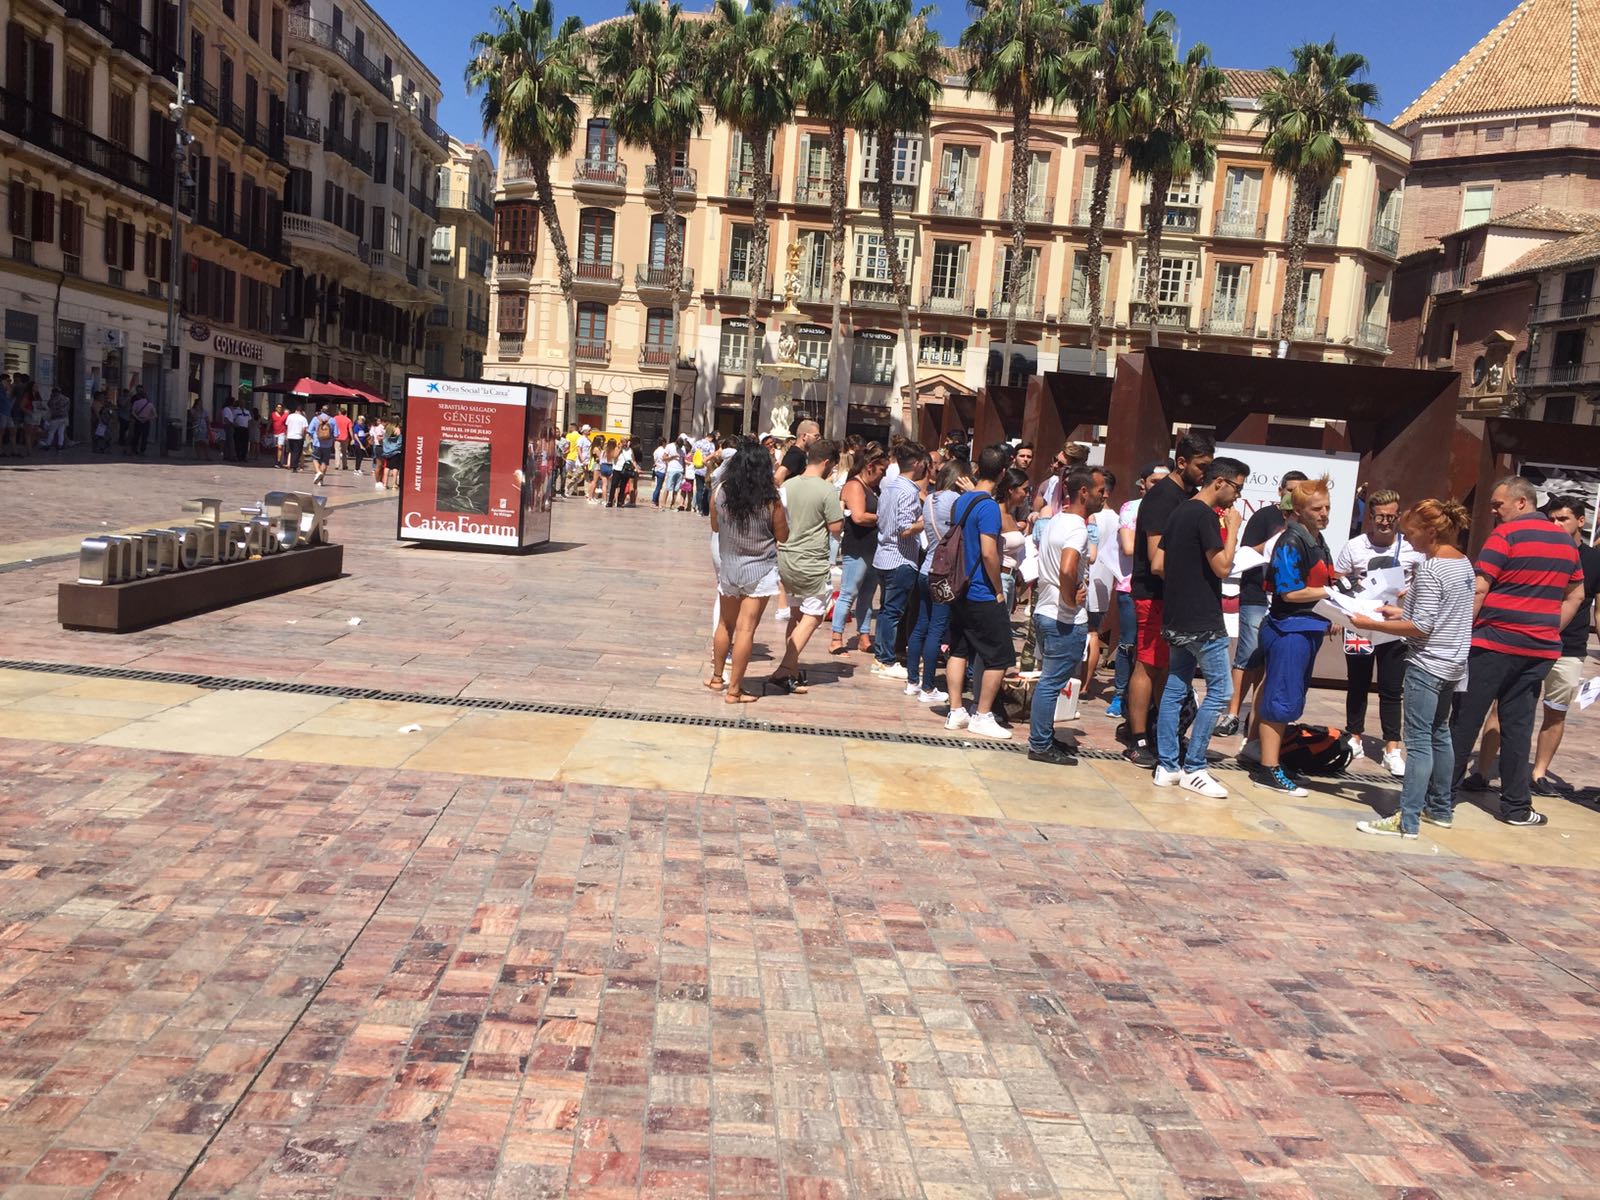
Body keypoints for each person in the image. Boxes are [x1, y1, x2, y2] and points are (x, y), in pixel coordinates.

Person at [1449, 476, 1585, 826]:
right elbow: (1577, 594)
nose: (1495, 511)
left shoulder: (1505, 535)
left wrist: (1462, 634)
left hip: (1493, 643)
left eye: (1498, 504)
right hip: (1538, 650)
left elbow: (1480, 588)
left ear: (1521, 503)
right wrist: (1550, 628)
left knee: (1465, 720)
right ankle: (1516, 808)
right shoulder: (1567, 543)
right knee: (1518, 727)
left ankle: (1439, 798)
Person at [1352, 499, 1476, 838]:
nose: (1408, 541)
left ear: (1431, 532)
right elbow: (1440, 614)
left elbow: (1421, 627)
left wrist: (1369, 624)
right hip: (1452, 662)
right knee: (1440, 734)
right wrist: (1400, 615)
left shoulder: (1434, 567)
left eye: (1411, 534)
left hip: (1428, 662)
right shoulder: (1463, 563)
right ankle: (1440, 808)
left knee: (1419, 741)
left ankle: (1407, 819)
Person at [1151, 457, 1249, 796]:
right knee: (1221, 691)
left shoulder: (1179, 512)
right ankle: (1194, 766)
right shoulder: (1206, 515)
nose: (1237, 496)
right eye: (1237, 487)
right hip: (1202, 619)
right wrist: (1234, 528)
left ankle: (1167, 765)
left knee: (1176, 688)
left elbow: (1157, 563)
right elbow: (1222, 567)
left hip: (1176, 616)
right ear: (1219, 482)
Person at [1126, 432, 1213, 765]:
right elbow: (1156, 557)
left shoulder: (1189, 496)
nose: (1205, 472)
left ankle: (1163, 731)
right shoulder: (1163, 498)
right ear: (1181, 462)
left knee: (1165, 668)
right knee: (1147, 666)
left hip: (1172, 597)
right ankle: (1138, 738)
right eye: (1201, 466)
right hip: (1153, 594)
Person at [1251, 476, 1337, 798]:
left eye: (1327, 507)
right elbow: (1289, 593)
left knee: (1289, 699)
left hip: (1307, 629)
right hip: (1289, 630)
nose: (1324, 513)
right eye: (1317, 508)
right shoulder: (1291, 541)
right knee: (1280, 700)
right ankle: (1268, 768)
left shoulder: (1317, 539)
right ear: (1299, 511)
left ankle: (1272, 760)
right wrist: (1329, 596)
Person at [1336, 488, 1420, 774]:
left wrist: (1410, 593)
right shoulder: (1354, 546)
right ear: (1370, 517)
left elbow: (1422, 581)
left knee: (1392, 687)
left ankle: (1392, 747)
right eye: (1380, 517)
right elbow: (1340, 579)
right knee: (1357, 682)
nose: (1385, 522)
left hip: (1395, 625)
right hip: (1360, 621)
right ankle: (1355, 735)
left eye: (1391, 516)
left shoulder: (1410, 548)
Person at [1219, 470, 1308, 738]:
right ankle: (1232, 714)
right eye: (1289, 489)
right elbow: (1244, 551)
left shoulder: (1304, 524)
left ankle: (1256, 721)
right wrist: (1274, 543)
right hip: (1256, 592)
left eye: (1299, 490)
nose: (1293, 495)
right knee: (1248, 653)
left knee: (1271, 661)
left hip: (1284, 600)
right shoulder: (1264, 517)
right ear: (1280, 491)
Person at [1028, 465, 1103, 765]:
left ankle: (1044, 737)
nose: (1104, 495)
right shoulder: (1077, 528)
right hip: (1064, 619)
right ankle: (1040, 744)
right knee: (1051, 683)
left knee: (1050, 680)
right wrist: (1070, 599)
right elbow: (1068, 567)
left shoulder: (1056, 520)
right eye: (1100, 491)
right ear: (1083, 492)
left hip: (1045, 611)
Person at [708, 438, 790, 704]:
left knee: (725, 624)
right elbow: (783, 536)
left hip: (730, 567)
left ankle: (717, 677)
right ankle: (735, 691)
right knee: (745, 630)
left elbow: (716, 526)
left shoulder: (720, 491)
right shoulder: (770, 500)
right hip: (760, 569)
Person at [1527, 496, 1600, 794]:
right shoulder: (1538, 551)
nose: (1555, 524)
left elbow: (1598, 609)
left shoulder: (1594, 560)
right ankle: (1481, 771)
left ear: (1581, 522)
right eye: (1552, 518)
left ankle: (1539, 774)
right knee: (1506, 707)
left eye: (1563, 519)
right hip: (1528, 641)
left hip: (1569, 648)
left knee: (1555, 711)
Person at [943, 446, 1014, 740]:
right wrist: (998, 589)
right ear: (1002, 474)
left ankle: (956, 710)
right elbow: (988, 552)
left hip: (958, 587)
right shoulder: (988, 507)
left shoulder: (961, 502)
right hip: (982, 590)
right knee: (999, 656)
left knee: (959, 648)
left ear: (976, 470)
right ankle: (982, 715)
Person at [771, 439, 845, 693]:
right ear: (826, 462)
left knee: (795, 614)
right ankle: (784, 668)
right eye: (833, 466)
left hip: (787, 557)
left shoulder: (788, 485)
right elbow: (836, 528)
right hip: (812, 559)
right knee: (814, 614)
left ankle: (791, 670)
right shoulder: (827, 491)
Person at [1108, 461, 1170, 719]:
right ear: (1142, 484)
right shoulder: (1130, 508)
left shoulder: (1175, 507)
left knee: (1158, 650)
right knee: (1129, 644)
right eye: (1155, 481)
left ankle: (1154, 704)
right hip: (1131, 585)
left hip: (1164, 588)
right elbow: (1129, 546)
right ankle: (1119, 694)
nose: (1160, 486)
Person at [905, 459, 967, 704]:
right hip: (943, 572)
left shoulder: (930, 498)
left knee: (921, 624)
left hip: (925, 568)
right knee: (936, 628)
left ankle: (913, 681)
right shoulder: (956, 500)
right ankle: (928, 686)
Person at [870, 442, 929, 680]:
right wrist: (927, 521)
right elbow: (905, 529)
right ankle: (885, 659)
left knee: (886, 610)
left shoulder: (888, 487)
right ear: (916, 464)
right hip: (900, 558)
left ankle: (881, 657)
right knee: (892, 612)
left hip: (884, 556)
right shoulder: (908, 492)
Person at [831, 447, 885, 654]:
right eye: (881, 470)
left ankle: (864, 636)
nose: (883, 475)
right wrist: (884, 518)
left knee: (868, 594)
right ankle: (836, 637)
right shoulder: (855, 485)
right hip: (857, 547)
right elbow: (859, 516)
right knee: (848, 592)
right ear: (870, 467)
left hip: (872, 547)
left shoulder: (873, 488)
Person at [774, 419, 819, 487]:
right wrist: (784, 495)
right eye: (816, 436)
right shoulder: (796, 454)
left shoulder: (801, 453)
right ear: (804, 436)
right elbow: (778, 477)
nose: (818, 440)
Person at [307, 405, 336, 485]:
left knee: (315, 458)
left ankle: (318, 472)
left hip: (317, 443)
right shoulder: (333, 420)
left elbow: (309, 430)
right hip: (328, 444)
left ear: (321, 410)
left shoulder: (315, 418)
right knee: (325, 462)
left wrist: (314, 436)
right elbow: (336, 434)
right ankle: (321, 480)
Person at [129, 386, 156, 457]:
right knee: (145, 436)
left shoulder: (136, 402)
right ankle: (142, 451)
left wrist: (138, 418)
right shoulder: (150, 404)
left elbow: (133, 412)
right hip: (146, 421)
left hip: (138, 420)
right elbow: (155, 415)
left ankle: (134, 449)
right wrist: (147, 418)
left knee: (136, 435)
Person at [42, 386, 68, 451]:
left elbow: (49, 405)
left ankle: (48, 444)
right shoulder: (66, 398)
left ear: (54, 392)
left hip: (56, 417)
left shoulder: (54, 398)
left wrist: (51, 397)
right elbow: (68, 407)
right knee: (61, 432)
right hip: (64, 417)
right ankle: (60, 445)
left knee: (51, 432)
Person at [189, 395, 210, 459]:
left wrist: (208, 427)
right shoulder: (193, 410)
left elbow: (207, 419)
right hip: (196, 426)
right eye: (199, 403)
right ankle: (199, 456)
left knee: (205, 442)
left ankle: (207, 456)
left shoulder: (204, 411)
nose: (200, 404)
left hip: (204, 427)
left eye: (201, 403)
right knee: (197, 441)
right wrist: (197, 411)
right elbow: (193, 418)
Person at [332, 405, 352, 470]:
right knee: (344, 451)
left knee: (337, 451)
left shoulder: (335, 418)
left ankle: (337, 465)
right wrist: (352, 438)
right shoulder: (348, 420)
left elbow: (332, 426)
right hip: (345, 437)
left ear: (340, 412)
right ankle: (345, 465)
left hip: (337, 437)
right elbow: (350, 430)